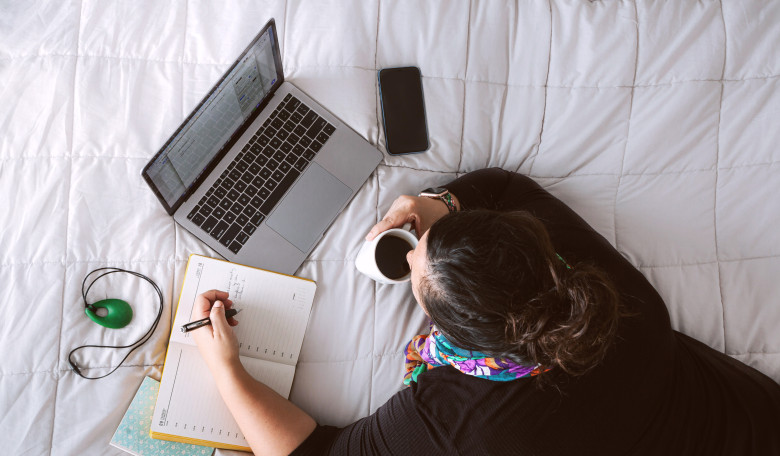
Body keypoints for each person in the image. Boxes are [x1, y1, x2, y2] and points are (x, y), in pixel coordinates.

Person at [191, 168, 780, 455]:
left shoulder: (458, 419)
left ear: (459, 337)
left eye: (416, 279)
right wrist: (433, 204)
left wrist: (226, 371)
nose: (414, 250)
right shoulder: (617, 298)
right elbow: (503, 189)